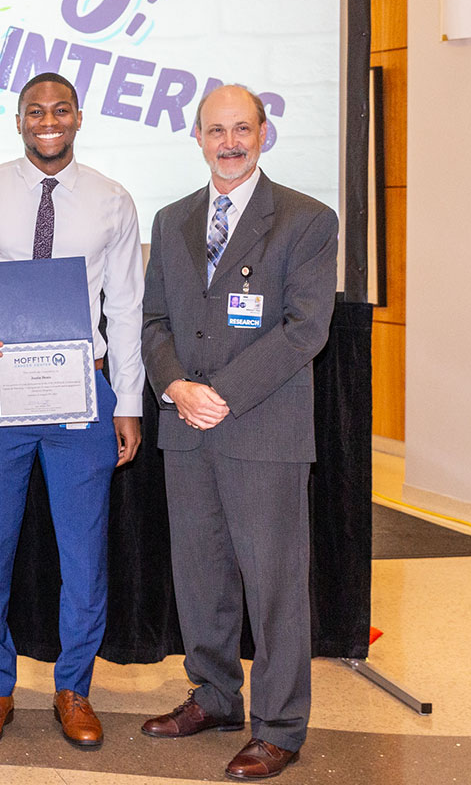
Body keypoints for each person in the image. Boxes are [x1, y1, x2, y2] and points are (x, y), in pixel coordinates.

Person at [140, 84, 337, 781]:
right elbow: (155, 320)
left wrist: (221, 394)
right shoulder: (171, 221)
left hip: (262, 431)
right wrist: (174, 385)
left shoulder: (308, 220)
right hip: (186, 428)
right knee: (201, 577)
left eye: (241, 129)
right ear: (197, 137)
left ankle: (279, 726)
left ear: (263, 134)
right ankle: (216, 696)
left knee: (275, 583)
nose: (229, 141)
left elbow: (305, 329)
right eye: (215, 130)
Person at [0, 72, 145, 748]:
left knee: (84, 554)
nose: (49, 120)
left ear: (79, 118)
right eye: (37, 111)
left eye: (61, 110)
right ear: (20, 119)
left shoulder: (112, 201)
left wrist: (128, 402)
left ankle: (74, 688)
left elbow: (124, 306)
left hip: (81, 394)